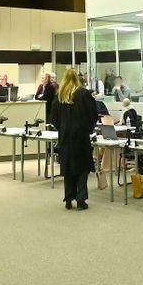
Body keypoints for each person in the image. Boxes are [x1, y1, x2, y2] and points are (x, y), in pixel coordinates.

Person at [55, 68, 95, 210]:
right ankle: (81, 199)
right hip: (80, 136)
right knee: (82, 168)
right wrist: (89, 129)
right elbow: (92, 113)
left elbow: (54, 118)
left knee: (68, 168)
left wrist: (62, 129)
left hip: (65, 137)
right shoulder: (83, 93)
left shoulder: (60, 95)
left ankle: (68, 199)